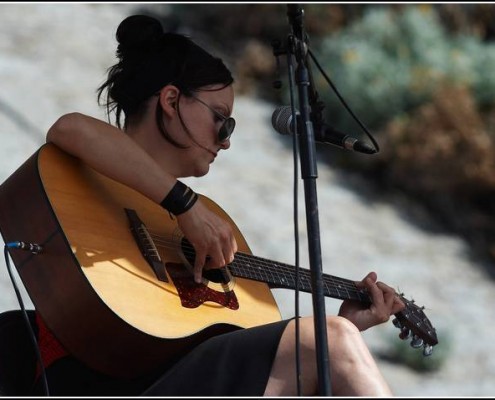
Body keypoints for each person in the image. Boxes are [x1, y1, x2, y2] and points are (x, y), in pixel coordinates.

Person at [32, 14, 405, 396]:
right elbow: (70, 128)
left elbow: (232, 346)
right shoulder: (92, 177)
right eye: (221, 120)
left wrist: (334, 348)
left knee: (334, 338)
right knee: (333, 337)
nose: (225, 141)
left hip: (167, 375)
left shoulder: (206, 220)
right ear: (172, 101)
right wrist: (183, 203)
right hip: (98, 380)